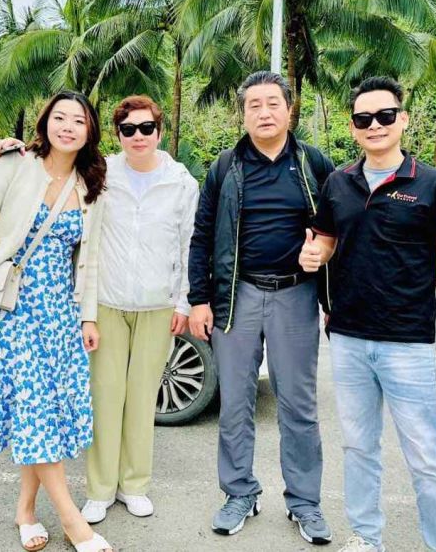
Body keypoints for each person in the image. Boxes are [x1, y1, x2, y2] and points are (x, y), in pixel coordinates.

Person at [0, 95, 199, 524]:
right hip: (105, 301)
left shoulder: (181, 182)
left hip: (158, 304)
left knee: (142, 399)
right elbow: (49, 168)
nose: (138, 136)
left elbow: (188, 245)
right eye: (128, 129)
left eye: (146, 128)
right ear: (117, 134)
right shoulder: (100, 174)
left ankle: (134, 486)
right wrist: (13, 149)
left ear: (160, 132)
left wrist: (183, 300)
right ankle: (100, 490)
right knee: (104, 398)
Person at [299, 76, 436, 552]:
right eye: (364, 118)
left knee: (425, 456)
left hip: (408, 342)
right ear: (353, 127)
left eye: (384, 116)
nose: (374, 125)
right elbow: (326, 241)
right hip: (348, 338)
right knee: (358, 447)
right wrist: (314, 254)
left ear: (403, 120)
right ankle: (365, 538)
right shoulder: (338, 183)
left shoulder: (433, 184)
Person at [0, 91, 113, 552]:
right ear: (45, 122)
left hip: (59, 312)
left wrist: (88, 318)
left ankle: (25, 510)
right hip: (10, 308)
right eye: (59, 117)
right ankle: (75, 524)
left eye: (78, 120)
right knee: (35, 407)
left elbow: (91, 259)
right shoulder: (14, 165)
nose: (67, 127)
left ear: (89, 131)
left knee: (40, 412)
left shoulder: (90, 183)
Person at [187, 71, 336, 545]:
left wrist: (334, 296)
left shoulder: (313, 163)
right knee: (235, 403)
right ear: (243, 113)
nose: (264, 112)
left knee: (298, 405)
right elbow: (202, 235)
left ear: (290, 110)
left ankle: (304, 502)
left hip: (297, 295)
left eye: (273, 103)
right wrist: (199, 299)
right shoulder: (225, 166)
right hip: (238, 297)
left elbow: (338, 230)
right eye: (254, 104)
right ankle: (239, 493)